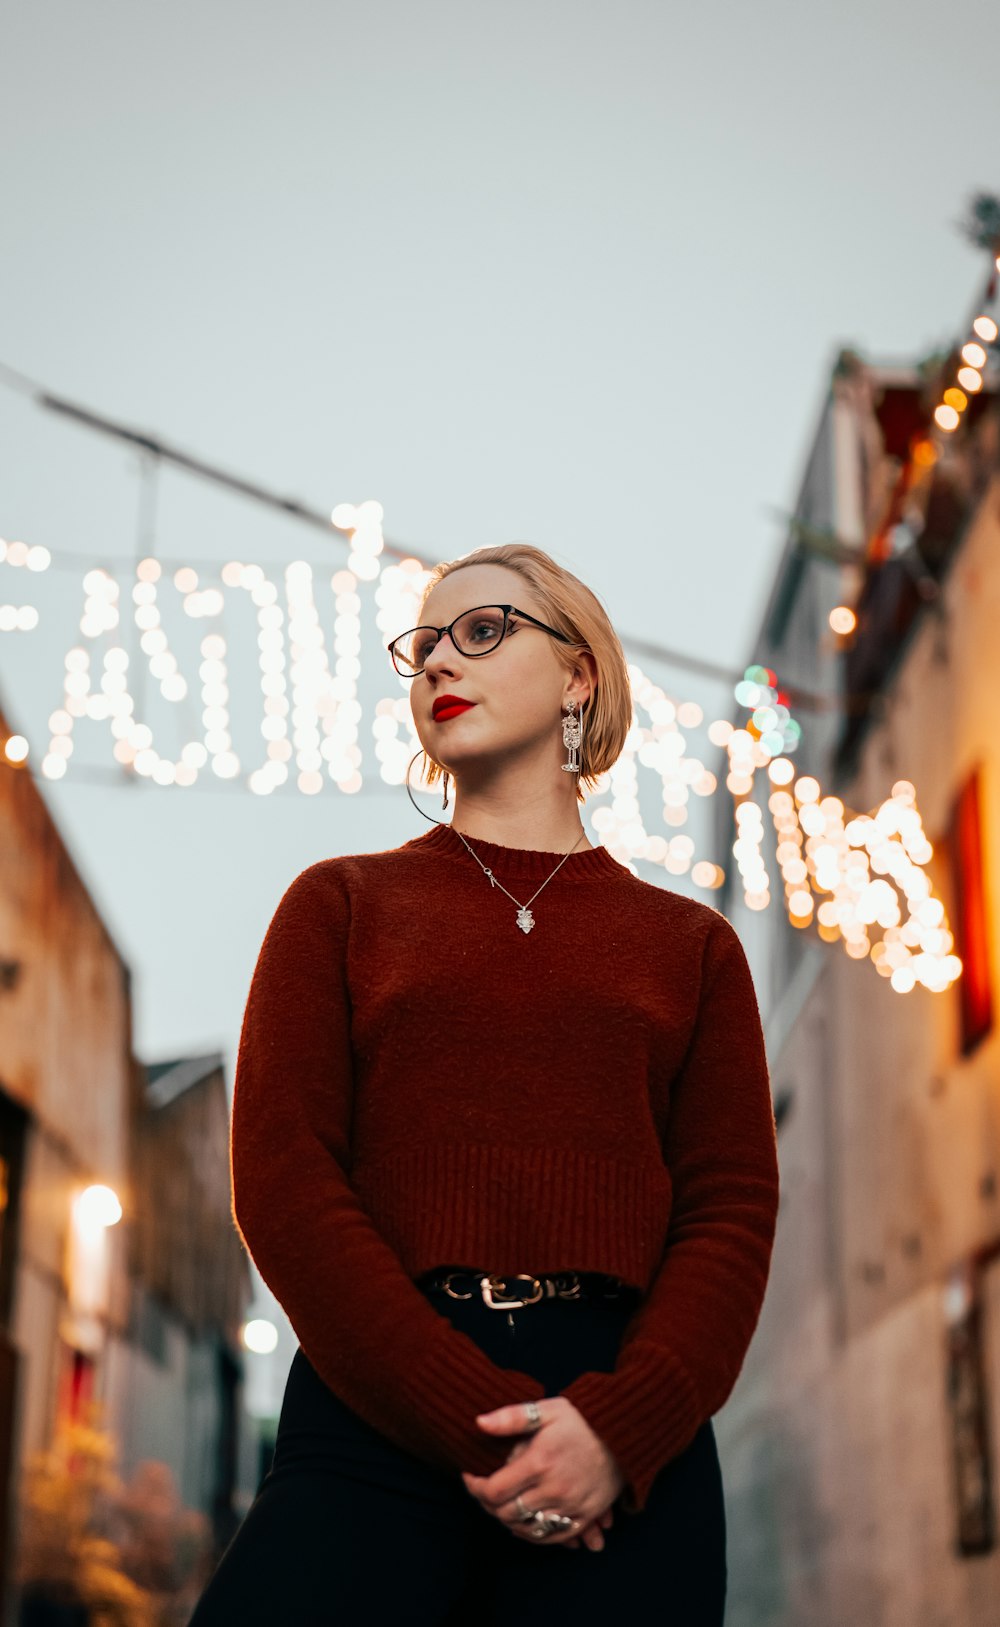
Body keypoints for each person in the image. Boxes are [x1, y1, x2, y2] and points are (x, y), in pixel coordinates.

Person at [189, 543, 781, 1625]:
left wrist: (617, 1431)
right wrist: (480, 1418)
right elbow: (283, 1183)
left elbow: (730, 1213)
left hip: (620, 1441)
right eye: (419, 647)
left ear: (577, 675)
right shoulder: (339, 906)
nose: (433, 666)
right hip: (371, 1409)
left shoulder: (690, 946)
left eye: (481, 630)